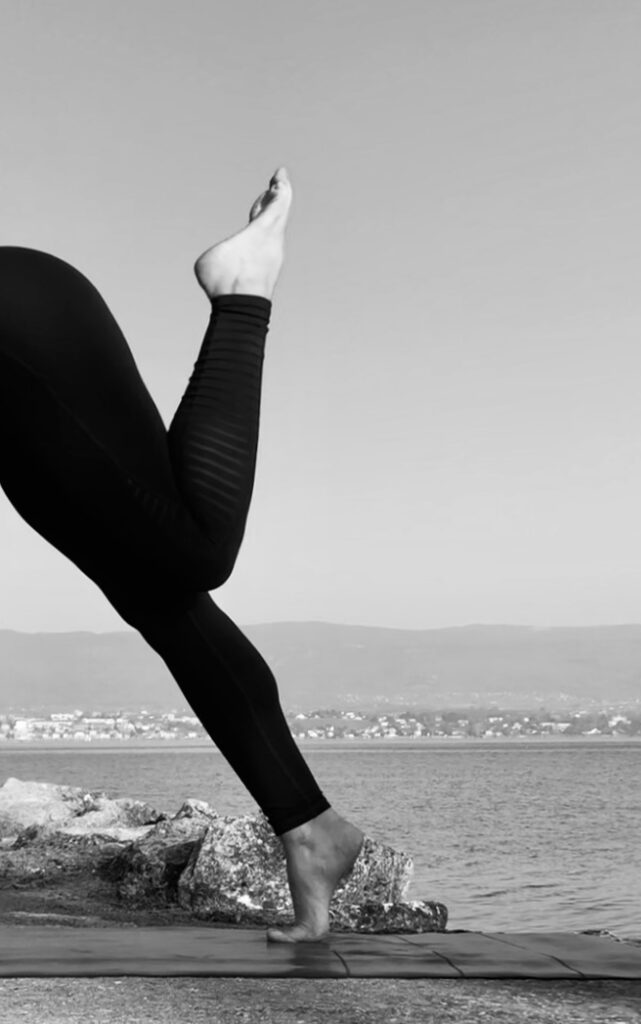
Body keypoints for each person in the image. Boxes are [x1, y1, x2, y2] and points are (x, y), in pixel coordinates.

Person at [0, 167, 364, 943]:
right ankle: (309, 829)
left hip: (18, 328)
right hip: (34, 310)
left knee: (193, 556)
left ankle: (243, 298)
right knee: (161, 595)